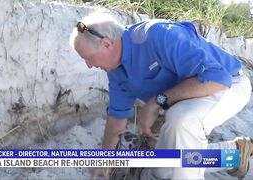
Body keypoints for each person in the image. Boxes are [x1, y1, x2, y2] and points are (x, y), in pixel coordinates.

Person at [69, 12, 253, 179]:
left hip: (229, 84)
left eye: (88, 57)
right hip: (186, 99)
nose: (89, 65)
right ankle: (233, 155)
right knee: (160, 169)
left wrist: (157, 102)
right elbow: (116, 118)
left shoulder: (159, 35)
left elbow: (218, 77)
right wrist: (105, 162)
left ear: (107, 44)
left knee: (181, 119)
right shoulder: (116, 72)